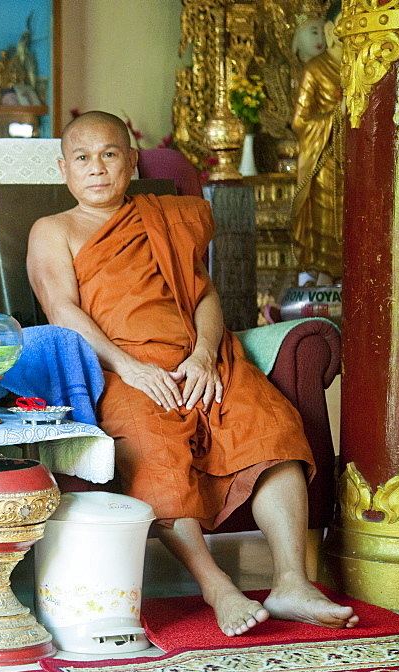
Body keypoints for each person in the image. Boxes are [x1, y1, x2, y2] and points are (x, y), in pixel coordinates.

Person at [27, 111, 358, 637]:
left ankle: (291, 581)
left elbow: (203, 295)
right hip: (120, 369)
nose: (97, 169)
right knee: (155, 457)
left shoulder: (165, 218)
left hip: (204, 360)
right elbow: (62, 311)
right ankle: (217, 586)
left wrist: (204, 354)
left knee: (270, 431)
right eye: (83, 158)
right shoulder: (54, 230)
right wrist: (132, 369)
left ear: (131, 162)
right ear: (64, 168)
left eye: (110, 154)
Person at [290, 2, 343, 285]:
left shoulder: (359, 66)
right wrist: (337, 114)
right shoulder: (315, 69)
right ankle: (323, 282)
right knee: (326, 227)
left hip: (356, 161)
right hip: (325, 161)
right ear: (332, 29)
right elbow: (300, 122)